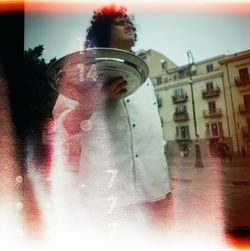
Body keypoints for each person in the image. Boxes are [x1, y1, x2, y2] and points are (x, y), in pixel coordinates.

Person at [51, 4, 173, 232]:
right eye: (118, 22)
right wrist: (95, 99)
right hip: (107, 200)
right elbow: (63, 124)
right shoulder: (82, 72)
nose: (127, 24)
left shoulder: (144, 78)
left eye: (128, 22)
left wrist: (165, 186)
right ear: (103, 32)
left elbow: (153, 133)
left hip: (156, 194)